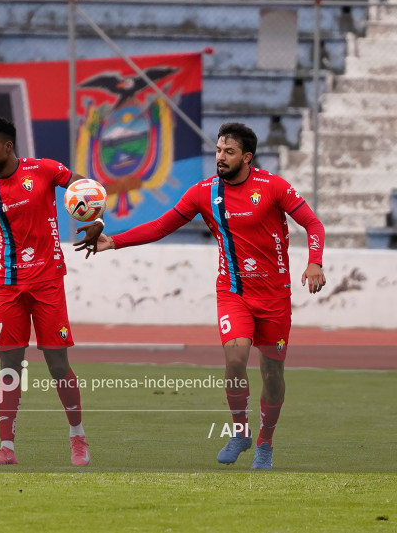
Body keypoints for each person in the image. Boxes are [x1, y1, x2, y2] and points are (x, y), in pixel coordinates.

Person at [76, 122, 326, 470]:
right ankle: (240, 431)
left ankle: (265, 444)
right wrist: (112, 240)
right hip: (233, 293)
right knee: (236, 359)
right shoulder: (204, 192)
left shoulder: (273, 187)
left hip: (274, 298)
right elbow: (161, 226)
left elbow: (313, 224)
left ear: (247, 157)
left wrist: (315, 262)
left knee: (272, 375)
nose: (220, 157)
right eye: (219, 150)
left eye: (229, 152)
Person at [0, 117, 103, 466]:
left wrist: (97, 219)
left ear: (8, 146)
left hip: (47, 281)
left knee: (57, 364)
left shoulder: (44, 170)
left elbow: (87, 186)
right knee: (9, 364)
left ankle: (78, 437)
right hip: (6, 286)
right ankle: (6, 447)